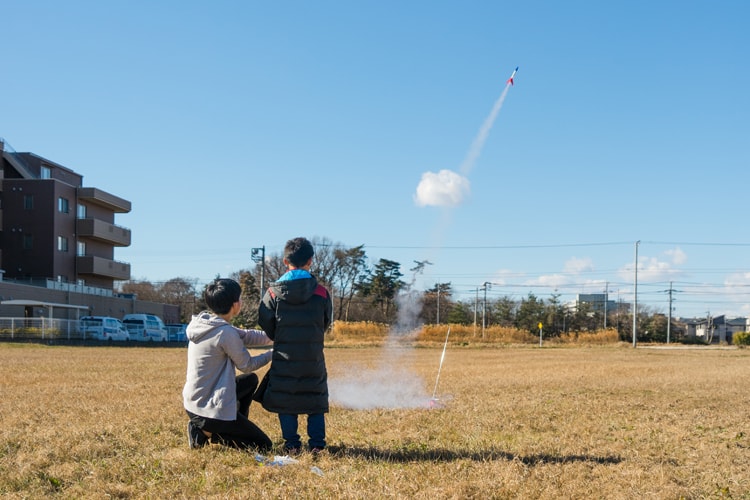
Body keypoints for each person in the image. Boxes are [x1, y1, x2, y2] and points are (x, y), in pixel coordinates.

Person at [258, 237, 333, 453]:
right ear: (311, 260)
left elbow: (265, 321)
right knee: (315, 399)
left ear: (284, 261)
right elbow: (325, 321)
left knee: (286, 399)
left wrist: (280, 336)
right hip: (313, 357)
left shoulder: (273, 293)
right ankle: (317, 445)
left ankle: (292, 444)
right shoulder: (321, 293)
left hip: (284, 357)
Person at [183, 278, 274, 451]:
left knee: (249, 381)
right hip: (209, 412)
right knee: (264, 446)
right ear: (234, 304)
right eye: (240, 298)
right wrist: (272, 354)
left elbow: (246, 336)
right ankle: (206, 432)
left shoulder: (206, 324)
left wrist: (275, 336)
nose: (241, 301)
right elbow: (246, 364)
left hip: (194, 403)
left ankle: (229, 424)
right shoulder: (224, 333)